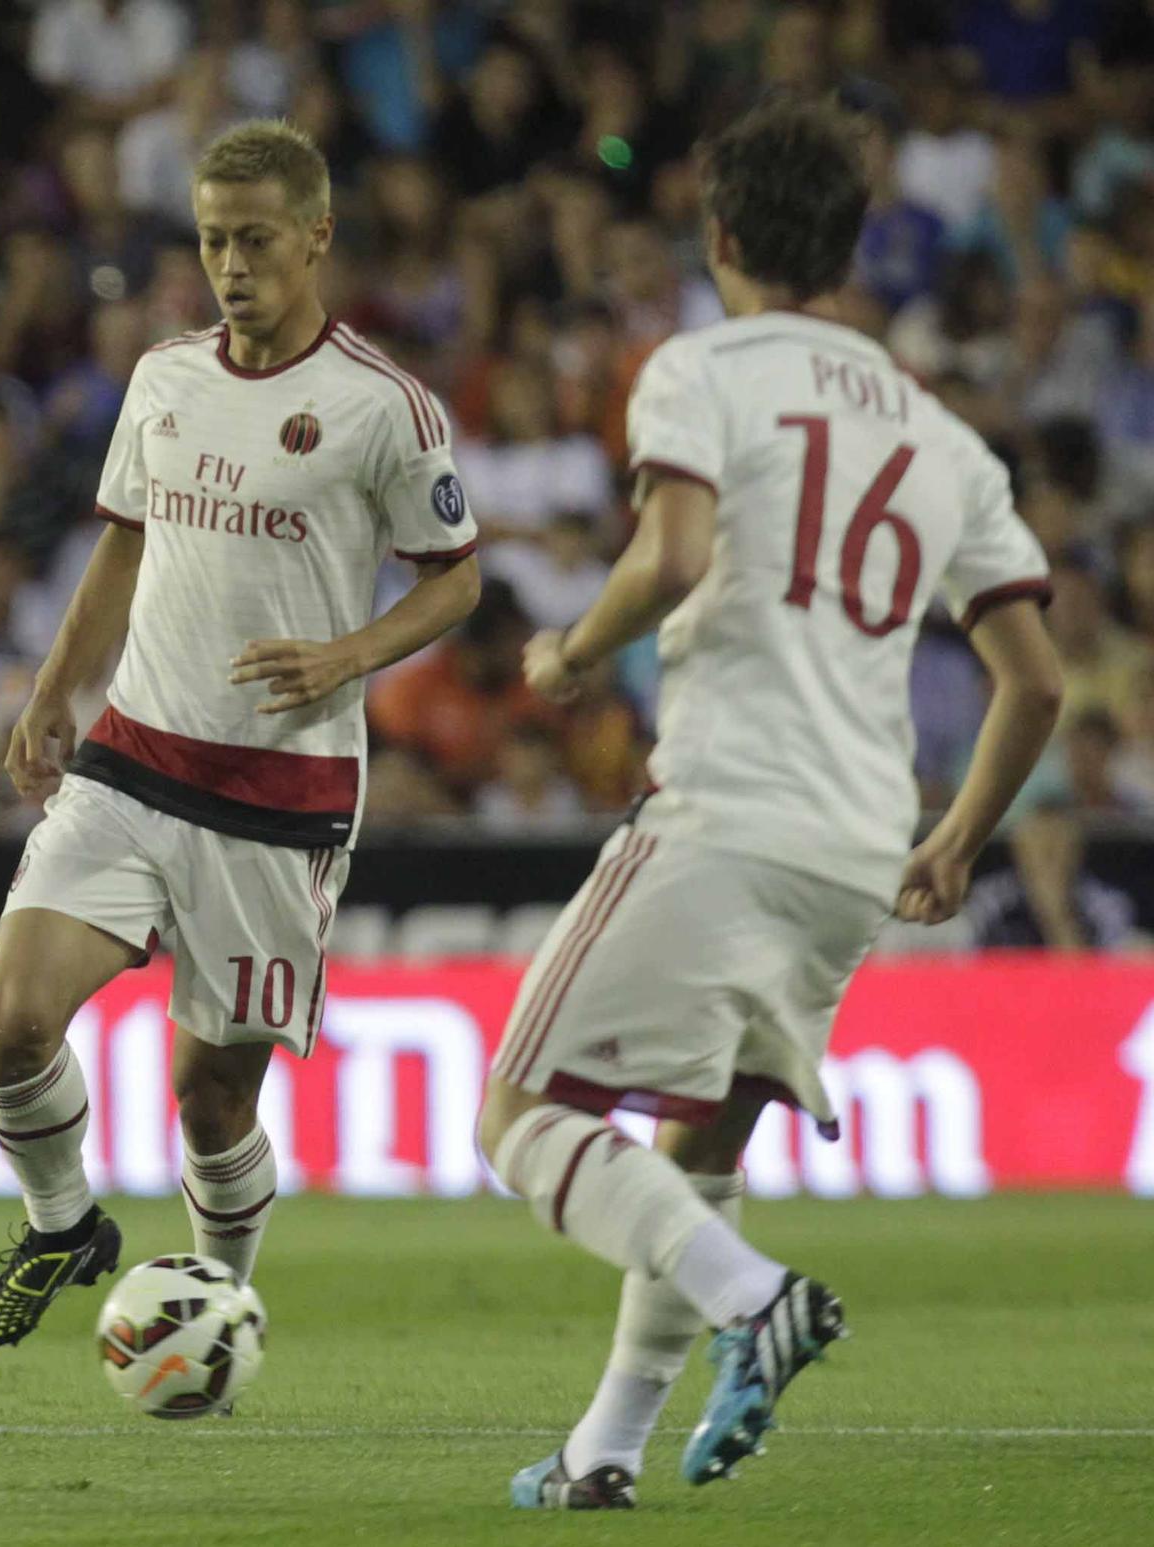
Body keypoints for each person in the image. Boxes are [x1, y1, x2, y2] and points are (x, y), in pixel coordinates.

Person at [476, 100, 1063, 1510]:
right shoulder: (939, 434)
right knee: (699, 1145)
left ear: (719, 234)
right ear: (852, 243)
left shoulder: (700, 368)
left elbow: (673, 550)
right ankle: (603, 1449)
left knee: (517, 1114)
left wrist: (568, 645)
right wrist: (956, 837)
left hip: (730, 802)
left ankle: (759, 1300)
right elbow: (1034, 681)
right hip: (861, 841)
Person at [0, 119, 482, 1353]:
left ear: (315, 238)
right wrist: (51, 689)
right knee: (12, 1025)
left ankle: (216, 1301)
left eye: (253, 240)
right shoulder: (164, 377)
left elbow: (454, 578)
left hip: (280, 793)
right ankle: (61, 1223)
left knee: (210, 1097)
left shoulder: (380, 408)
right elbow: (124, 539)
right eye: (210, 240)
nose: (229, 264)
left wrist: (347, 656)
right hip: (133, 757)